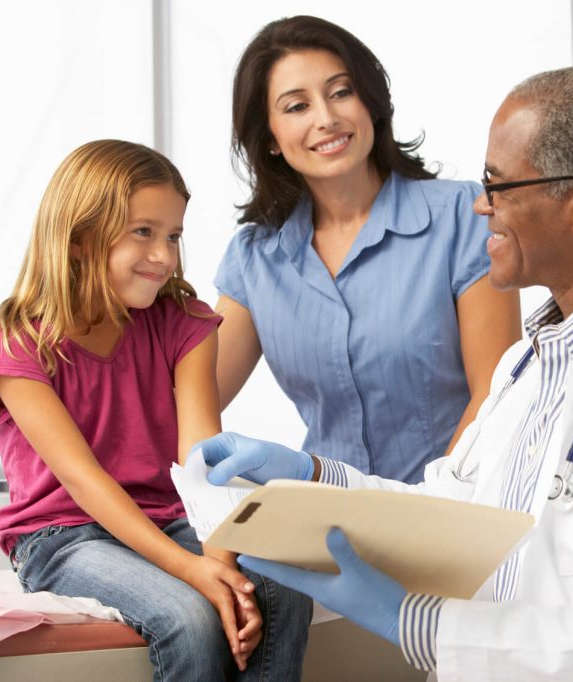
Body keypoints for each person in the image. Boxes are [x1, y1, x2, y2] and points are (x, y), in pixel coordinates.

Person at [193, 65, 573, 681]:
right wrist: (315, 478)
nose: (479, 204)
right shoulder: (531, 361)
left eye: (499, 183)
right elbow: (453, 513)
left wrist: (414, 621)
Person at [0, 140, 311, 681]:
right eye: (143, 233)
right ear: (80, 239)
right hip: (63, 535)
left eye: (173, 235)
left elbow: (203, 460)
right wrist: (196, 576)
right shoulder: (16, 346)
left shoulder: (185, 323)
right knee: (189, 619)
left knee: (284, 593)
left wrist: (222, 570)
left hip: (175, 516)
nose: (165, 257)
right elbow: (85, 483)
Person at [215, 16, 522, 484]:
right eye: (297, 106)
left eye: (341, 92)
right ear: (270, 137)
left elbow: (495, 397)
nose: (326, 117)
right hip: (323, 522)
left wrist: (428, 513)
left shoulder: (463, 216)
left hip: (451, 518)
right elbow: (192, 401)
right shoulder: (255, 257)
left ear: (371, 102)